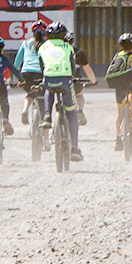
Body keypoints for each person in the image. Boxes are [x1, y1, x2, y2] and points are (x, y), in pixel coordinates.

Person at [37, 22, 94, 160]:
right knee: (71, 112)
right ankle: (74, 148)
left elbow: (42, 65)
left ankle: (47, 116)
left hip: (49, 79)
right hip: (66, 81)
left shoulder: (42, 47)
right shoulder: (68, 47)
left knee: (48, 88)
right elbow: (73, 66)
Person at [15, 22, 48, 123]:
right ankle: (44, 119)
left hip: (26, 73)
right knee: (42, 96)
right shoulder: (47, 44)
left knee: (30, 93)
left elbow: (17, 61)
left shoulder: (25, 43)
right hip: (41, 73)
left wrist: (17, 79)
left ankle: (25, 110)